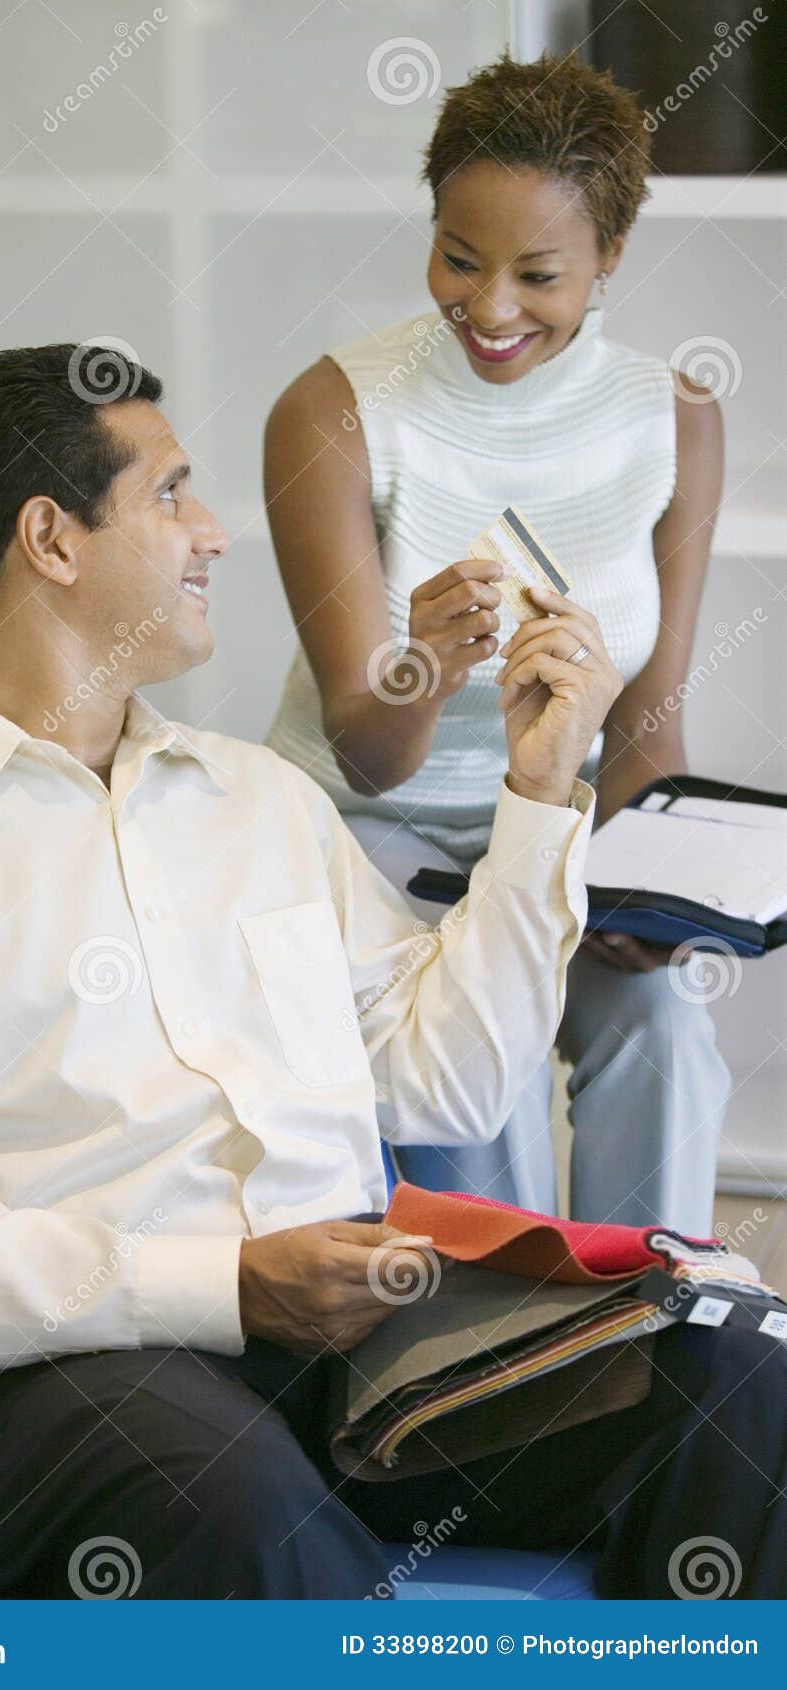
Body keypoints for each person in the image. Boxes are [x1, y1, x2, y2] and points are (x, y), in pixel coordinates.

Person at [0, 344, 782, 1602]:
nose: (213, 532)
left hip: (353, 1350)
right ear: (51, 539)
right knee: (227, 1492)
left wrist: (541, 790)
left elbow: (452, 1082)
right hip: (55, 1386)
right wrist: (228, 1284)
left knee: (740, 1381)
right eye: (171, 494)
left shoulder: (260, 803)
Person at [265, 51, 730, 1234]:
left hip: (550, 839)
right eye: (459, 261)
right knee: (482, 1075)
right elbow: (366, 753)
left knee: (666, 1034)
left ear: (609, 258)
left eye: (539, 274)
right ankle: (508, 1364)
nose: (490, 308)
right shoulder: (331, 413)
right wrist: (428, 662)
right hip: (376, 847)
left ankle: (652, 1320)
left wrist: (654, 899)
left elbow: (646, 724)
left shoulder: (673, 419)